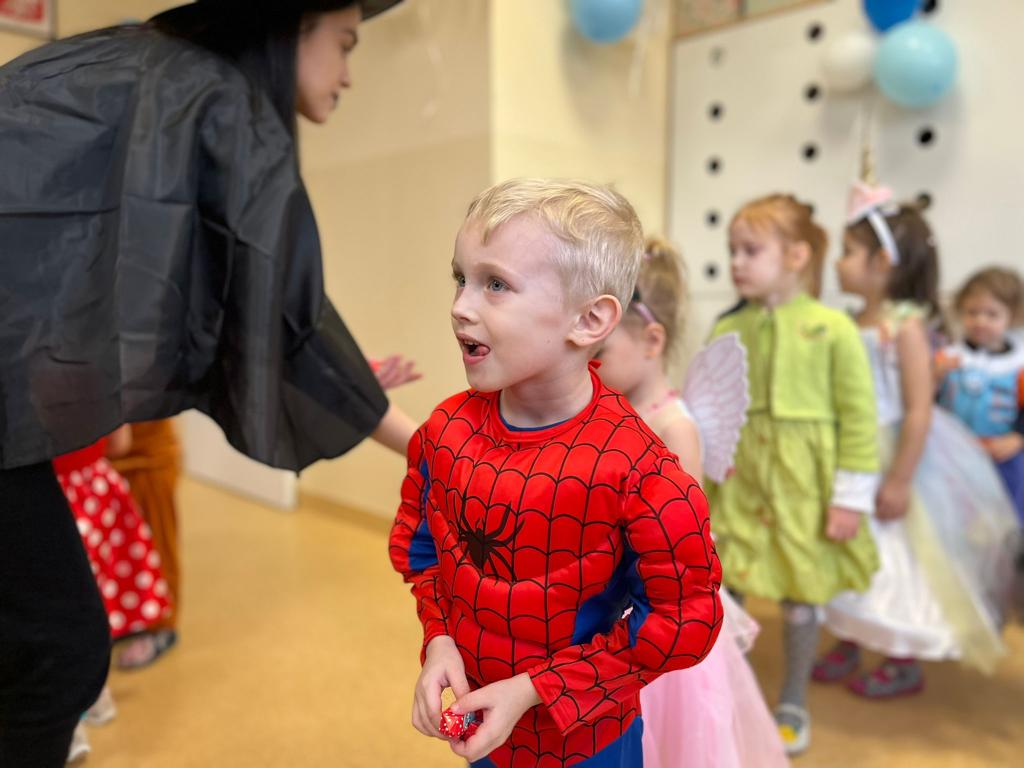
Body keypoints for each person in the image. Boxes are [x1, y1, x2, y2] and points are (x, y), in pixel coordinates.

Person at [0, 2, 409, 764]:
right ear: (291, 26)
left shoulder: (142, 67)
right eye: (346, 43)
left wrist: (345, 380)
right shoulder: (216, 95)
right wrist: (437, 448)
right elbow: (283, 315)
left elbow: (246, 309)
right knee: (59, 652)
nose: (350, 73)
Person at [389, 179, 723, 767]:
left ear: (590, 319)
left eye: (496, 284)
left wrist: (535, 689)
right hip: (487, 739)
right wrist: (439, 640)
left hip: (590, 743)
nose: (461, 306)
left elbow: (680, 620)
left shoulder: (640, 472)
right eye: (461, 278)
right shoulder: (445, 434)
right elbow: (427, 556)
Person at [814, 184, 1019, 700]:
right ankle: (850, 635)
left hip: (895, 455)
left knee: (897, 556)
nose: (838, 263)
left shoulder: (904, 328)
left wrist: (901, 479)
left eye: (848, 251)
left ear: (882, 262)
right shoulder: (846, 321)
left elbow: (919, 408)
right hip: (851, 450)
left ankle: (900, 654)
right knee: (847, 544)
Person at [596, 237, 788, 768]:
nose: (586, 367)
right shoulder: (605, 411)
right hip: (608, 593)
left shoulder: (674, 426)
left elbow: (680, 537)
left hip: (657, 606)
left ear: (652, 340)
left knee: (662, 734)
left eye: (598, 355)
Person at [702, 194, 881, 756]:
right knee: (724, 587)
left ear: (797, 256)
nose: (736, 262)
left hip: (805, 490)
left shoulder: (834, 329)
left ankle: (793, 698)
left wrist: (850, 498)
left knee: (802, 594)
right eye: (732, 250)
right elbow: (712, 407)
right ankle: (728, 691)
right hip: (741, 482)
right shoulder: (728, 326)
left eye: (750, 250)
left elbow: (860, 420)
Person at [937, 267, 1024, 524]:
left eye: (991, 314)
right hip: (954, 455)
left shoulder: (1018, 364)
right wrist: (934, 376)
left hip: (1002, 454)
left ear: (1012, 315)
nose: (980, 321)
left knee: (1007, 513)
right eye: (972, 313)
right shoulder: (948, 357)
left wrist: (1018, 437)